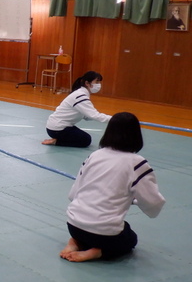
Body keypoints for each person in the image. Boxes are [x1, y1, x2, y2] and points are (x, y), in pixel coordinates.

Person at [61, 112, 165, 262]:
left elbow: (73, 193)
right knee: (130, 238)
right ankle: (98, 252)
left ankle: (76, 241)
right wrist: (136, 201)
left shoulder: (95, 155)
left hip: (73, 224)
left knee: (101, 228)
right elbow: (152, 202)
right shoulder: (137, 163)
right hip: (103, 233)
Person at [42, 71, 111, 148]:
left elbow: (87, 116)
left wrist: (95, 116)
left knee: (82, 136)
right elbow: (94, 115)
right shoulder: (80, 96)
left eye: (99, 82)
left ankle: (59, 138)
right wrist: (115, 119)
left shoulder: (81, 93)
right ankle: (57, 141)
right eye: (96, 82)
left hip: (58, 126)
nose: (98, 85)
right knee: (86, 140)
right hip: (57, 128)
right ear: (87, 83)